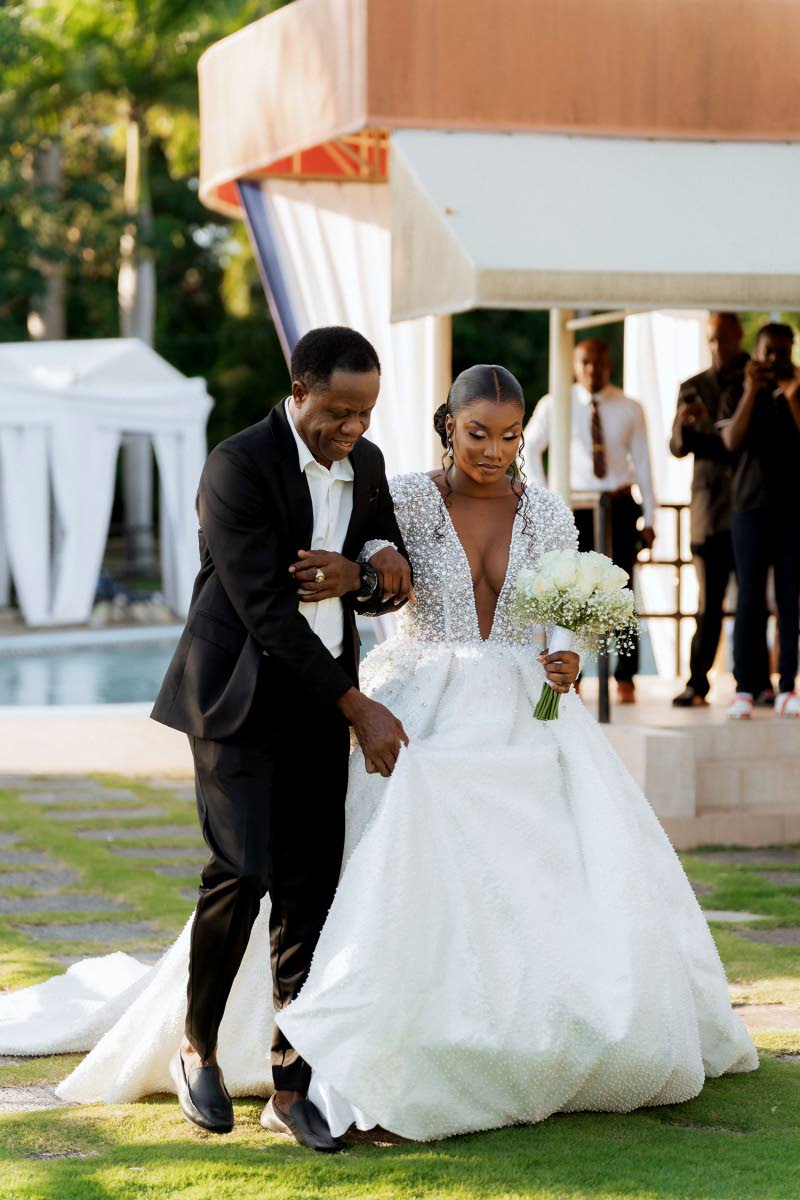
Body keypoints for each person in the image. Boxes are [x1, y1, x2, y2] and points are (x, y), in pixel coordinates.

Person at [1, 365, 757, 1145]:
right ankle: (289, 1049)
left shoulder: (549, 515)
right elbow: (359, 558)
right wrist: (366, 568)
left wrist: (565, 657)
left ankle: (527, 1036)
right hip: (417, 703)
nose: (492, 451)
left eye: (508, 435)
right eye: (476, 434)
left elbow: (566, 609)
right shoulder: (400, 493)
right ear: (447, 425)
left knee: (549, 870)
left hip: (525, 714)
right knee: (343, 870)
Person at [151, 326, 414, 1150]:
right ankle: (196, 1048)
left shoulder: (366, 467)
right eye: (338, 410)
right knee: (242, 870)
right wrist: (359, 707)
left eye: (366, 413)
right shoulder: (237, 465)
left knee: (311, 888)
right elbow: (265, 609)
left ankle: (291, 1081)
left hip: (314, 704)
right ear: (298, 389)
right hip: (234, 697)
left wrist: (361, 574)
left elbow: (387, 570)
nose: (353, 429)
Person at [526, 339, 656, 703]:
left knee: (622, 591)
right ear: (574, 364)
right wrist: (546, 495)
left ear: (608, 364)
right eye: (585, 362)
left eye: (598, 361)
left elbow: (644, 462)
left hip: (617, 504)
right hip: (574, 508)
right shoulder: (556, 404)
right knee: (572, 593)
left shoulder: (629, 407)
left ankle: (625, 677)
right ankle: (572, 675)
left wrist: (651, 514)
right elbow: (530, 445)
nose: (592, 369)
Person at [669, 313, 774, 708]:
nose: (718, 347)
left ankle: (758, 681)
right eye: (712, 340)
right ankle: (698, 682)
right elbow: (679, 447)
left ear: (738, 337)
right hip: (710, 514)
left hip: (753, 506)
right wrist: (684, 424)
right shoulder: (693, 387)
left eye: (724, 339)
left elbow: (743, 441)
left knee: (753, 599)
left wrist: (710, 434)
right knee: (708, 603)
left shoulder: (759, 380)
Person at [720, 323, 800, 719]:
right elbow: (731, 441)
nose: (776, 359)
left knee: (789, 597)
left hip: (790, 510)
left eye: (784, 351)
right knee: (749, 599)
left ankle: (788, 685)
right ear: (756, 352)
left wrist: (791, 395)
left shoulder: (796, 392)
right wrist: (753, 389)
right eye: (770, 351)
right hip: (748, 508)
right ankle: (744, 687)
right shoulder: (736, 389)